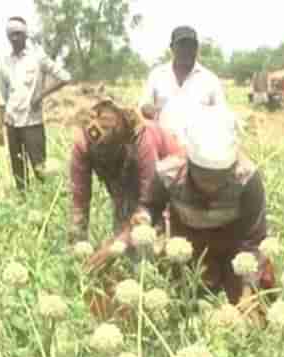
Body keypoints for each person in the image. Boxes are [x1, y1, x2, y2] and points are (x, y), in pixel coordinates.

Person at [87, 107, 274, 310]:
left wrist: (248, 291)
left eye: (219, 176)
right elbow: (149, 208)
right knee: (186, 305)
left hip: (235, 249)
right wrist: (122, 241)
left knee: (256, 306)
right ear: (190, 162)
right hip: (189, 248)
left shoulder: (247, 178)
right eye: (203, 174)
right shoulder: (169, 174)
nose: (210, 185)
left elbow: (254, 238)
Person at [69, 98, 183, 244]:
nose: (104, 154)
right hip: (124, 185)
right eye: (100, 150)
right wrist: (77, 246)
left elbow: (150, 201)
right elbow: (79, 199)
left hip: (170, 189)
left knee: (157, 242)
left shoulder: (142, 139)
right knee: (124, 246)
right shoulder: (83, 144)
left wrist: (119, 243)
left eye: (109, 148)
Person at [0, 16, 71, 190]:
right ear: (7, 36)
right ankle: (23, 202)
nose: (15, 38)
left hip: (32, 122)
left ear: (25, 35)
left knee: (40, 169)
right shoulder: (3, 61)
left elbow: (65, 77)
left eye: (18, 34)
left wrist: (41, 95)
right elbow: (1, 95)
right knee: (18, 170)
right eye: (11, 34)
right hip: (11, 122)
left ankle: (46, 201)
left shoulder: (38, 57)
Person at [140, 26, 226, 145]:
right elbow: (143, 107)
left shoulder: (210, 80)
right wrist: (148, 109)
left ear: (197, 48)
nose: (187, 50)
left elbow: (222, 117)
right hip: (162, 147)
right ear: (172, 48)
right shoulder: (157, 75)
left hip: (200, 151)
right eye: (182, 45)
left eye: (191, 46)